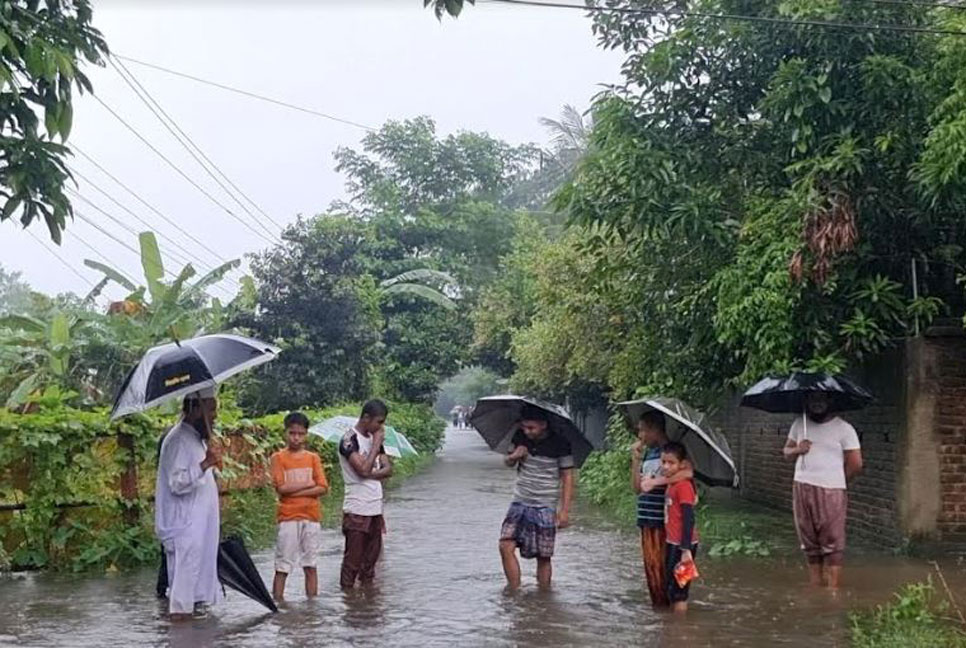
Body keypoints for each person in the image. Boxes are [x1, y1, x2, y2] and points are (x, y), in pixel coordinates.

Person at [155, 387, 223, 621]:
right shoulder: (177, 439)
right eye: (211, 409)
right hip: (184, 529)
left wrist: (210, 464)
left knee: (192, 594)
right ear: (195, 409)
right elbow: (177, 482)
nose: (214, 416)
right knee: (182, 597)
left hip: (196, 530)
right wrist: (204, 465)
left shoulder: (195, 438)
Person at [783, 392, 863, 589]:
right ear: (806, 402)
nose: (816, 404)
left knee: (833, 540)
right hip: (801, 486)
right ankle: (815, 585)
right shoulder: (798, 424)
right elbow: (785, 452)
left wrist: (837, 481)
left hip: (832, 489)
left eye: (821, 400)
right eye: (812, 399)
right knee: (808, 540)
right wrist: (797, 450)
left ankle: (833, 589)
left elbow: (856, 463)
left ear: (830, 401)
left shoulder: (844, 429)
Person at [499, 405, 576, 590]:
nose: (527, 431)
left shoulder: (560, 443)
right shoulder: (519, 437)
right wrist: (515, 456)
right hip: (520, 500)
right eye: (524, 426)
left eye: (531, 427)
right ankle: (514, 591)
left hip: (545, 504)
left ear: (543, 425)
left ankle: (543, 596)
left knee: (543, 555)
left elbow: (567, 477)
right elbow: (508, 462)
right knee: (505, 545)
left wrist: (564, 511)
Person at [629, 411, 690, 607]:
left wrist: (657, 482)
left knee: (670, 572)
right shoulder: (648, 454)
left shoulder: (672, 453)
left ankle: (675, 616)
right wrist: (636, 460)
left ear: (654, 429)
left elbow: (688, 472)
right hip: (646, 519)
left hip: (665, 522)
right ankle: (664, 617)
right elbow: (637, 489)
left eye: (642, 431)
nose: (640, 436)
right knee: (653, 572)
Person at [270, 411, 329, 602]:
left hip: (311, 517)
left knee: (310, 564)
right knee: (283, 565)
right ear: (285, 433)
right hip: (288, 517)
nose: (296, 438)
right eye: (292, 433)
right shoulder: (278, 458)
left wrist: (292, 491)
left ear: (306, 434)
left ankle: (312, 606)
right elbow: (281, 488)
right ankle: (278, 603)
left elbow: (323, 487)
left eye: (301, 434)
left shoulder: (313, 458)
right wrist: (308, 485)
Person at [338, 399, 393, 590]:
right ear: (366, 418)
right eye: (379, 422)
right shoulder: (348, 440)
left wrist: (367, 472)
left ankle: (367, 606)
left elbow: (388, 469)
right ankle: (349, 604)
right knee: (352, 562)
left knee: (371, 563)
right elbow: (363, 469)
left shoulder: (374, 441)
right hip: (356, 509)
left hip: (375, 509)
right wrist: (375, 446)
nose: (381, 427)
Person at [660, 441, 698, 613]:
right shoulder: (672, 484)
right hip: (672, 542)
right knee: (671, 585)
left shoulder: (683, 486)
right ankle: (673, 628)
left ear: (682, 464)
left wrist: (685, 549)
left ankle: (680, 630)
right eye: (663, 462)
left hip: (683, 545)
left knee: (680, 591)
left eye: (671, 463)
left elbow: (689, 517)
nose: (666, 466)